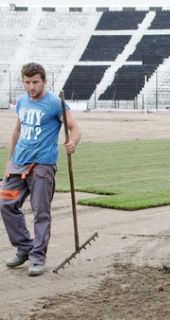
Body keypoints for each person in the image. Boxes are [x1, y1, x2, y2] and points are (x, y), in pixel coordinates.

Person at [0, 63, 81, 276]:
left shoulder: (56, 103)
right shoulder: (22, 101)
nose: (31, 86)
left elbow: (74, 128)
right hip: (18, 164)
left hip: (42, 167)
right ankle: (24, 248)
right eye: (27, 82)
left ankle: (37, 258)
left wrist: (73, 142)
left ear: (45, 81)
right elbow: (17, 130)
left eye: (35, 82)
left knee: (40, 212)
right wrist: (10, 161)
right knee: (6, 204)